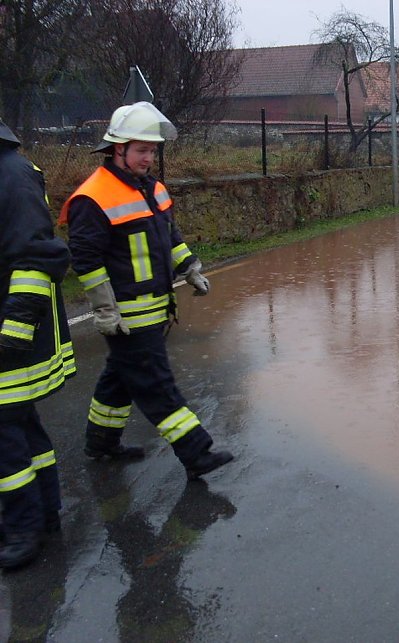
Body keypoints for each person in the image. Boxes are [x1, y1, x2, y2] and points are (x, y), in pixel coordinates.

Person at [59, 101, 233, 481]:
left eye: (152, 150)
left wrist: (189, 268)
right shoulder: (93, 197)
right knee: (156, 384)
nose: (148, 157)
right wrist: (105, 310)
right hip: (127, 312)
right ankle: (197, 453)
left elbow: (169, 236)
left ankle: (101, 443)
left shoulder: (152, 188)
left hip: (155, 307)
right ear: (116, 149)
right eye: (141, 150)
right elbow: (85, 260)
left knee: (120, 377)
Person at [0, 118, 76, 569]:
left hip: (11, 333)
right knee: (21, 424)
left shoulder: (10, 176)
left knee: (4, 434)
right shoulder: (12, 172)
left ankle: (22, 528)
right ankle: (45, 513)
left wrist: (13, 331)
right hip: (13, 329)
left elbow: (37, 255)